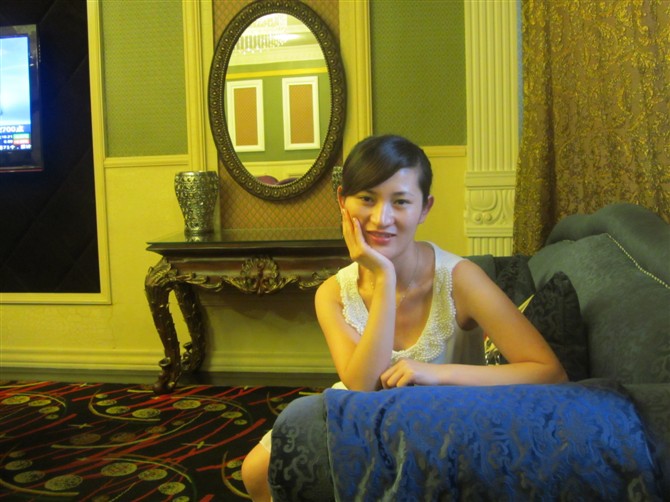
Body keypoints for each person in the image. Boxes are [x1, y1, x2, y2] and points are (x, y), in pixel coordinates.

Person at [241, 134, 567, 501]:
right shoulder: (332, 293)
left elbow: (549, 371)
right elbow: (361, 386)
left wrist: (436, 373)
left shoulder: (460, 279)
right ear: (342, 200)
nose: (381, 219)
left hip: (444, 424)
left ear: (425, 208)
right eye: (367, 199)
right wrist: (384, 277)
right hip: (363, 419)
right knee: (256, 471)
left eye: (400, 201)